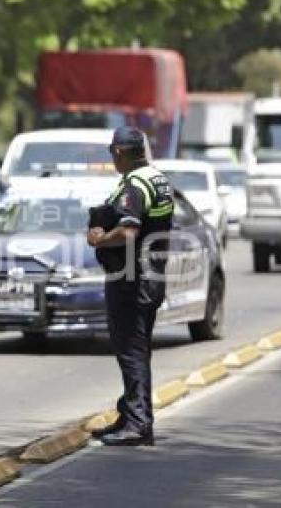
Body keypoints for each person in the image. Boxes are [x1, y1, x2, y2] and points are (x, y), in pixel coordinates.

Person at [87, 126, 173, 446]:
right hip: (152, 275)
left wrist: (99, 237)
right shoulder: (157, 178)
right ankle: (130, 413)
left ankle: (138, 424)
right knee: (136, 349)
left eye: (112, 153)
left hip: (131, 279)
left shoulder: (135, 186)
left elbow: (128, 232)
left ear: (120, 152)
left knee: (131, 351)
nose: (112, 159)